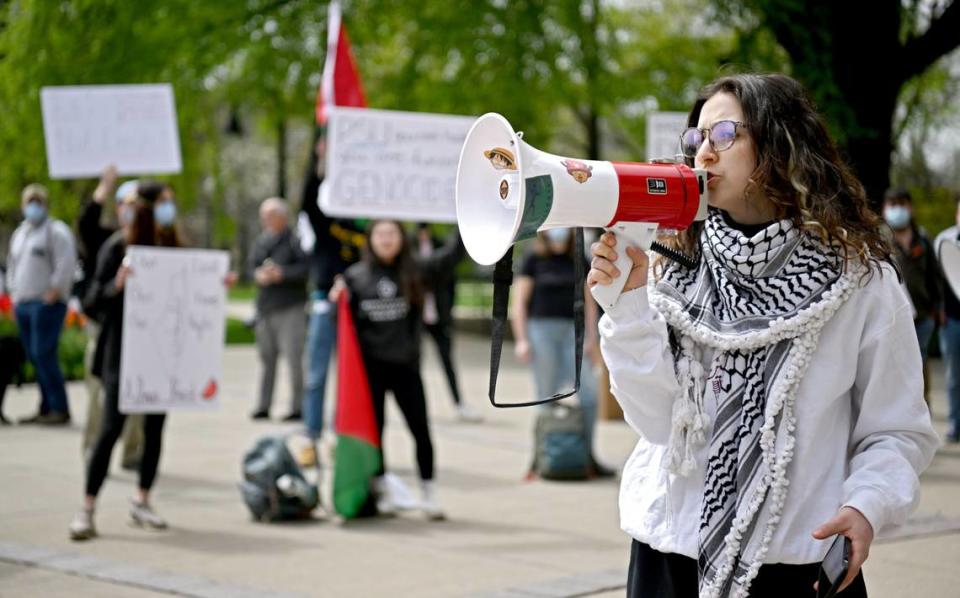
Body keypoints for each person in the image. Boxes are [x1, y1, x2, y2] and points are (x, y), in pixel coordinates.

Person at [588, 74, 938, 597]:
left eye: (723, 134)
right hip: (671, 558)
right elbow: (659, 423)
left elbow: (897, 429)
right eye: (696, 139)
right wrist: (627, 309)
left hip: (799, 564)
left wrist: (867, 505)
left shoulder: (860, 278)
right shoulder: (671, 263)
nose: (703, 154)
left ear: (780, 142)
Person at [69, 181, 185, 540]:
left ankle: (142, 499)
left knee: (154, 431)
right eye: (164, 203)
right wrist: (116, 286)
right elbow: (90, 301)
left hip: (160, 355)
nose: (169, 210)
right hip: (123, 354)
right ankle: (88, 507)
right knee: (110, 430)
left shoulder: (173, 247)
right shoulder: (118, 247)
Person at [329, 220, 464, 520]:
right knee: (375, 432)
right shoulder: (355, 277)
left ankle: (429, 491)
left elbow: (454, 255)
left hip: (406, 367)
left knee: (421, 430)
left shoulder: (415, 270)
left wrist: (463, 217)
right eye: (380, 234)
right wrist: (335, 300)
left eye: (392, 234)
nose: (386, 239)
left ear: (402, 239)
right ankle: (382, 490)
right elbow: (340, 326)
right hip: (370, 372)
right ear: (370, 240)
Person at [511, 228, 613, 478]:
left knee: (589, 396)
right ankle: (541, 458)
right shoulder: (533, 259)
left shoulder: (579, 258)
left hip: (573, 333)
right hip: (541, 332)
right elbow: (519, 303)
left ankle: (587, 456)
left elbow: (591, 303)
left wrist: (592, 338)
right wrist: (521, 340)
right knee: (545, 398)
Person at [299, 131, 366, 438]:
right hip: (326, 298)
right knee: (316, 371)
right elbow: (308, 198)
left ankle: (348, 431)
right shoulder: (325, 219)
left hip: (359, 301)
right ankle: (312, 432)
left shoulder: (367, 225)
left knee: (354, 374)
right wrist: (321, 159)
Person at [77, 166, 144, 466]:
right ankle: (94, 447)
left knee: (141, 397)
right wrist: (104, 186)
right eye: (127, 204)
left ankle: (133, 451)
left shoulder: (152, 241)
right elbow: (86, 222)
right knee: (98, 393)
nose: (133, 211)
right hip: (105, 329)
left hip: (140, 332)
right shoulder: (105, 240)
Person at [6, 183, 78, 425]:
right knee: (35, 357)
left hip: (46, 304)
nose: (33, 206)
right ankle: (46, 407)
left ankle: (59, 407)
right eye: (29, 201)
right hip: (23, 303)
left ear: (45, 204)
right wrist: (13, 294)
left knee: (44, 354)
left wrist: (55, 290)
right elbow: (13, 265)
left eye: (37, 201)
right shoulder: (21, 233)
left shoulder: (55, 232)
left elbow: (66, 263)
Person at [249, 197, 309, 421]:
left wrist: (282, 273)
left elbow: (305, 269)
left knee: (294, 359)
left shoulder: (296, 240)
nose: (266, 220)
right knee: (267, 359)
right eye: (264, 216)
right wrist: (259, 275)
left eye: (271, 215)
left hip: (290, 307)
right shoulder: (262, 241)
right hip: (266, 308)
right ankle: (264, 405)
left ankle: (298, 407)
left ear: (282, 217)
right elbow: (251, 267)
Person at [414, 222, 480, 422]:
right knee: (411, 363)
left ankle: (458, 402)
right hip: (416, 317)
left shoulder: (440, 247)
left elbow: (451, 275)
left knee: (447, 360)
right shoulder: (408, 249)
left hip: (439, 315)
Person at [882, 188, 940, 368]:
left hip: (923, 315)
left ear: (910, 208)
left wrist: (938, 306)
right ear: (884, 208)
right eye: (893, 204)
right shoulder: (878, 239)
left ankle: (924, 396)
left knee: (919, 363)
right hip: (890, 316)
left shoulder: (922, 238)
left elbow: (935, 274)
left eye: (902, 204)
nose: (897, 209)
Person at [934, 198, 960, 443]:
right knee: (953, 376)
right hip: (951, 319)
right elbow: (935, 279)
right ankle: (954, 425)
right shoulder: (943, 241)